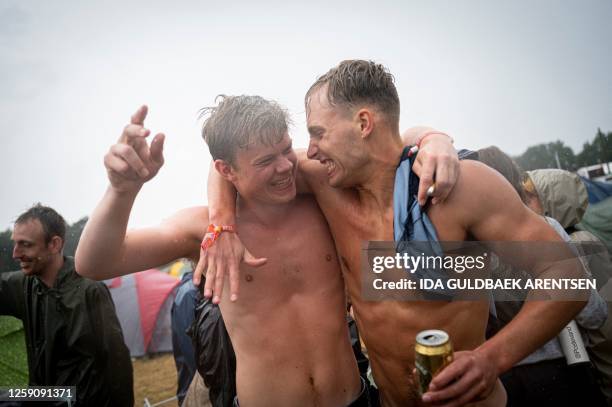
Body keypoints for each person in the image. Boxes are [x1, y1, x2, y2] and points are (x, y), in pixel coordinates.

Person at [203, 60, 589, 406]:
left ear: (364, 124)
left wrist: (493, 358)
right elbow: (233, 161)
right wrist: (221, 224)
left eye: (318, 133)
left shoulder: (460, 188)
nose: (310, 150)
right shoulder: (325, 183)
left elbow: (568, 274)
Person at [0, 204, 133, 407]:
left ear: (54, 244)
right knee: (5, 396)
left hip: (82, 400)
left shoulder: (89, 289)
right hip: (43, 396)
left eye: (25, 244)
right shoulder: (24, 286)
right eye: (15, 244)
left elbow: (117, 360)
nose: (16, 254)